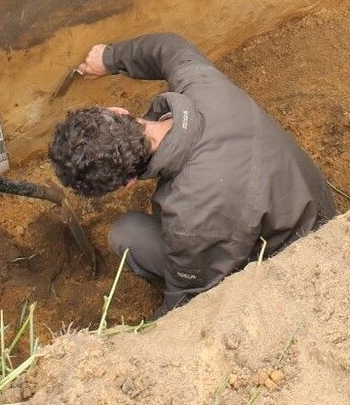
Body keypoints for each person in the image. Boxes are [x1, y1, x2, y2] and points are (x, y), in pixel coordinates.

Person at [49, 32, 335, 317]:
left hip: (298, 258)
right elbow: (168, 47)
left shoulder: (189, 217)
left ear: (127, 184)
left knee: (127, 234)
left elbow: (188, 299)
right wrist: (109, 58)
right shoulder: (202, 86)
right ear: (117, 110)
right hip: (310, 201)